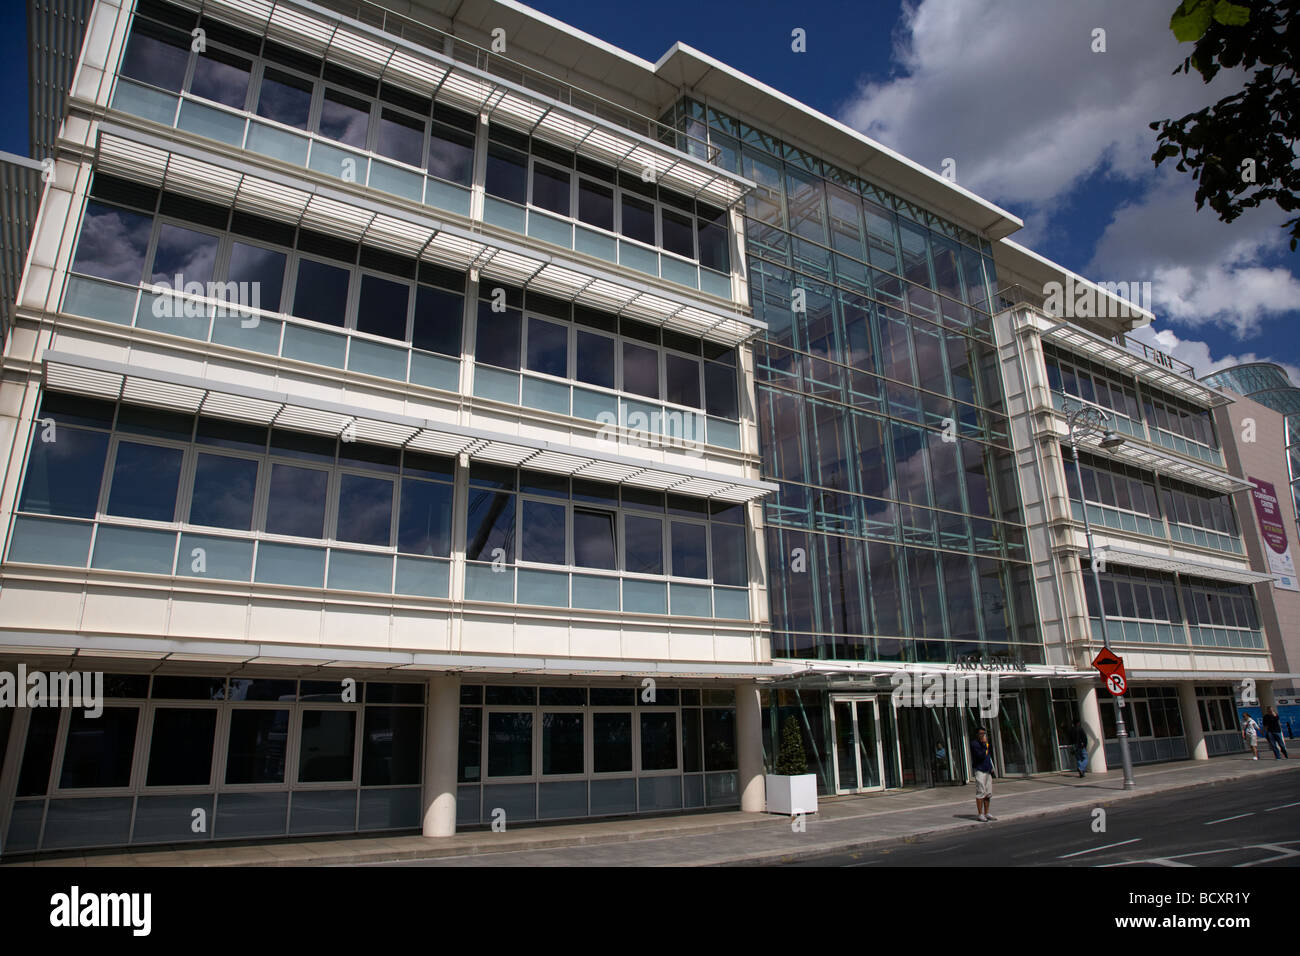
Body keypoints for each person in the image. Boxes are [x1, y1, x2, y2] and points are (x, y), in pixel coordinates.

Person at [970, 727, 996, 822]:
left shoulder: (986, 744)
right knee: (981, 791)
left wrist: (991, 767)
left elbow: (988, 756)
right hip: (980, 769)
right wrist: (984, 745)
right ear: (977, 734)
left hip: (987, 769)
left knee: (988, 792)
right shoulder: (975, 744)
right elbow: (980, 756)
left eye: (984, 733)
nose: (983, 735)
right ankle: (980, 813)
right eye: (981, 733)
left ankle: (987, 812)